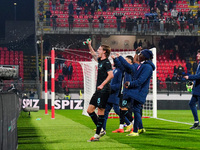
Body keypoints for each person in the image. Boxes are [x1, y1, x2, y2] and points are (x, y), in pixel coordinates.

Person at [117, 49, 155, 136]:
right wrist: (136, 53)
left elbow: (141, 80)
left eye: (141, 54)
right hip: (137, 91)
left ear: (144, 57)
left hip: (140, 91)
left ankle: (135, 131)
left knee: (136, 110)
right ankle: (140, 128)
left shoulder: (147, 67)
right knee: (136, 110)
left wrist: (130, 84)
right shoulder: (144, 65)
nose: (139, 56)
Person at [86, 39, 114, 142]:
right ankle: (101, 129)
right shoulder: (100, 61)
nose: (98, 50)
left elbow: (111, 75)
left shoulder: (107, 63)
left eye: (100, 49)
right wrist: (89, 45)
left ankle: (97, 134)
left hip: (104, 90)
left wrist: (102, 85)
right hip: (99, 90)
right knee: (89, 110)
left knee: (100, 110)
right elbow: (93, 54)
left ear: (104, 52)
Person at [102, 63, 132, 134]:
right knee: (106, 111)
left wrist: (109, 87)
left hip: (115, 95)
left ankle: (129, 124)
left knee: (117, 111)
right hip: (110, 94)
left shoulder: (120, 71)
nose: (114, 62)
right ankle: (103, 128)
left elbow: (118, 85)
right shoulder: (115, 70)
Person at [111, 55, 137, 133]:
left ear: (130, 61)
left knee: (124, 109)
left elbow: (124, 64)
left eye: (125, 60)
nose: (124, 62)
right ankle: (121, 127)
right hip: (123, 91)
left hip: (129, 92)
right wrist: (115, 59)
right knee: (122, 109)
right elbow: (119, 64)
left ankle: (134, 124)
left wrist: (120, 57)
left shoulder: (131, 68)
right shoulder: (125, 69)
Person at [183, 49, 200, 129]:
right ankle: (196, 122)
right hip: (197, 89)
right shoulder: (199, 63)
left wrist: (189, 77)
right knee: (191, 103)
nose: (197, 55)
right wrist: (192, 82)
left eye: (198, 54)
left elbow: (199, 76)